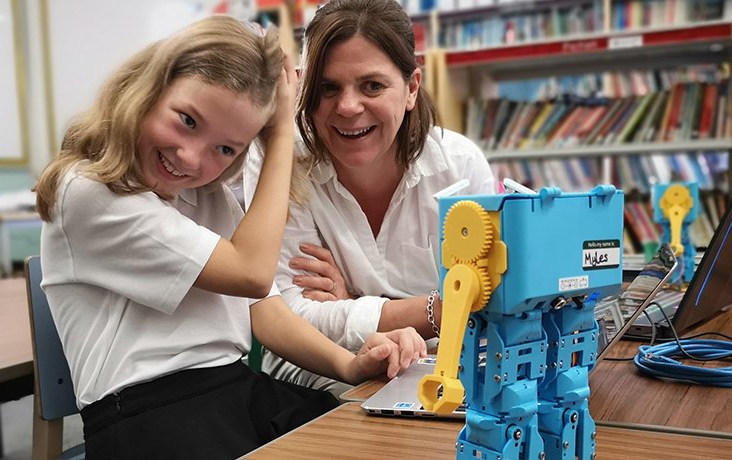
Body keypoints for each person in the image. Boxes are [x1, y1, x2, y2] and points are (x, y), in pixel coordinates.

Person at [33, 16, 425, 459]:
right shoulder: (87, 190)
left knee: (380, 441)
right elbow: (253, 275)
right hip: (143, 412)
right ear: (148, 86)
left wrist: (349, 366)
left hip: (237, 390)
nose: (191, 158)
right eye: (186, 120)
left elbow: (263, 309)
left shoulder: (204, 192)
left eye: (226, 148)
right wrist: (280, 131)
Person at [243, 0, 495, 397]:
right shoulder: (280, 162)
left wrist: (356, 302)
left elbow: (486, 304)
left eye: (372, 86)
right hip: (320, 369)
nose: (347, 107)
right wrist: (436, 309)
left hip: (446, 363)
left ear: (411, 88)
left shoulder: (460, 168)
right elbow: (289, 312)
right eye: (327, 88)